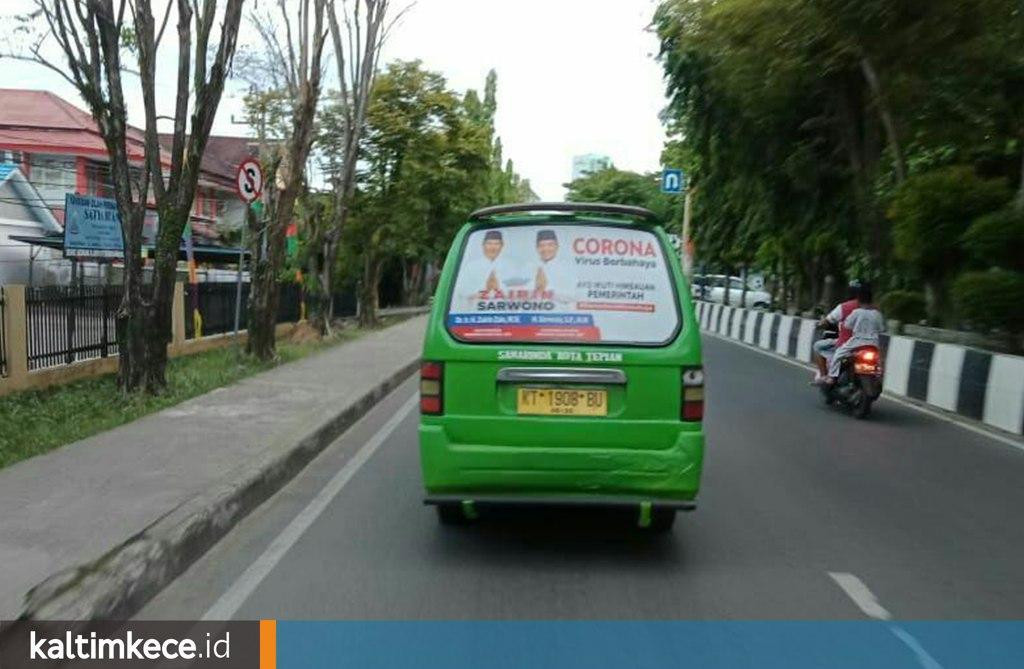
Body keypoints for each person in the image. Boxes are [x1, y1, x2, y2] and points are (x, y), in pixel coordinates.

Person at [825, 282, 885, 383]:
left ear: (859, 301)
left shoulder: (856, 312)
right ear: (871, 301)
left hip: (857, 341)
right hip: (873, 343)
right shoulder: (877, 314)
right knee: (879, 360)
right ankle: (878, 376)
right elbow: (882, 329)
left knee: (838, 355)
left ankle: (832, 377)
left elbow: (847, 325)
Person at [811, 280, 862, 384]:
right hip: (868, 345)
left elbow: (827, 321)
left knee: (818, 346)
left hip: (847, 344)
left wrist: (819, 325)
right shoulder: (873, 308)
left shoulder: (844, 307)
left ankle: (824, 376)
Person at [531, 229, 575, 299]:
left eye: (550, 245)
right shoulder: (529, 267)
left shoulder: (566, 268)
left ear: (557, 246)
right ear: (537, 248)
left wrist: (545, 286)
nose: (546, 249)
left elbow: (572, 296)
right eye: (541, 245)